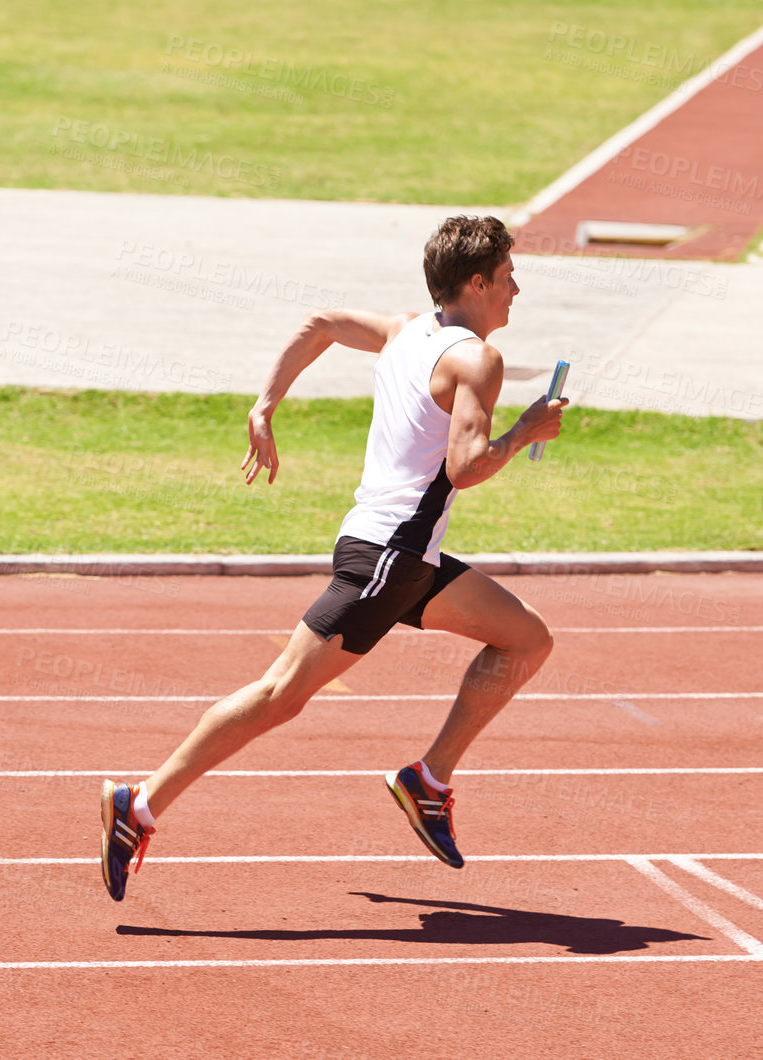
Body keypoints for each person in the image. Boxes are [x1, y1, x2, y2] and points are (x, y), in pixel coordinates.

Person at [99, 215, 567, 901]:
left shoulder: (407, 329)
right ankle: (137, 804)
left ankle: (427, 780)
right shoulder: (476, 360)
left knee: (525, 638)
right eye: (506, 277)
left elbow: (320, 322)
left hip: (399, 553)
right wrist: (526, 428)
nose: (515, 290)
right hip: (389, 557)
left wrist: (265, 405)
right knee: (277, 695)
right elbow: (465, 468)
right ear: (474, 282)